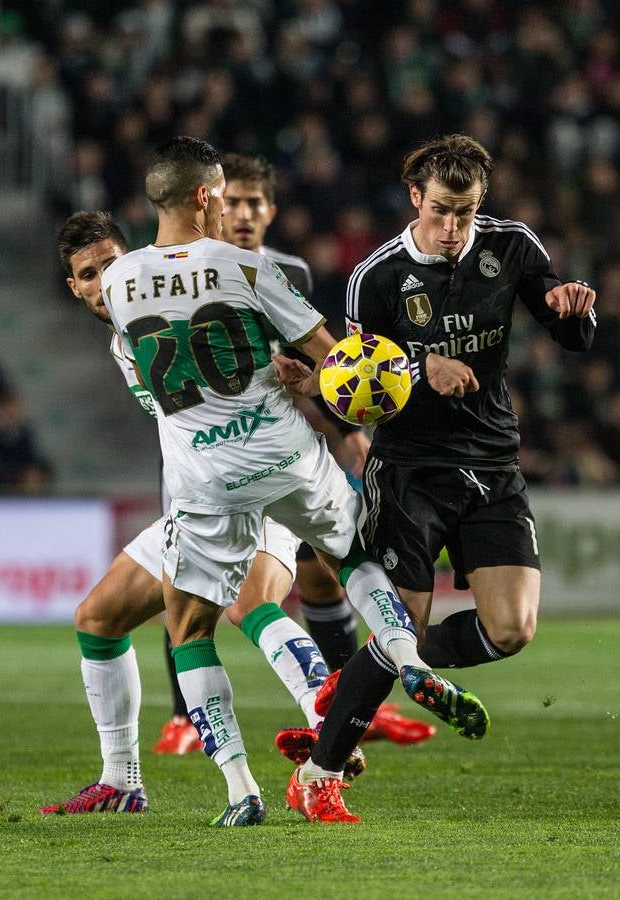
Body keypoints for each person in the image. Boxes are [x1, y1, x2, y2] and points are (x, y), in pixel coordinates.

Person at [102, 136, 489, 824]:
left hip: (201, 477)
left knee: (189, 630)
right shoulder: (244, 267)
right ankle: (410, 663)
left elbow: (146, 385)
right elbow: (336, 357)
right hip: (284, 454)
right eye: (221, 192)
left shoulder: (116, 282)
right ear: (202, 197)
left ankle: (239, 792)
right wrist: (381, 375)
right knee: (357, 558)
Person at [295, 132, 597, 809]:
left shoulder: (512, 244)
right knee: (403, 615)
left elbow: (569, 333)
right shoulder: (375, 277)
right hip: (409, 466)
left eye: (466, 211)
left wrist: (574, 311)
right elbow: (347, 383)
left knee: (511, 629)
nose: (454, 227)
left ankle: (369, 673)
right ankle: (320, 774)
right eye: (440, 211)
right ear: (414, 199)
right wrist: (417, 368)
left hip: (492, 458)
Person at [41, 211, 340, 822]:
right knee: (97, 619)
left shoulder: (191, 294)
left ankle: (324, 718)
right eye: (87, 275)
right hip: (196, 501)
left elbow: (285, 348)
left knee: (246, 605)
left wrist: (298, 373)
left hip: (259, 485)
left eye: (109, 265)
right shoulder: (127, 336)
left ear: (137, 262)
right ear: (73, 287)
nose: (102, 282)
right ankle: (121, 779)